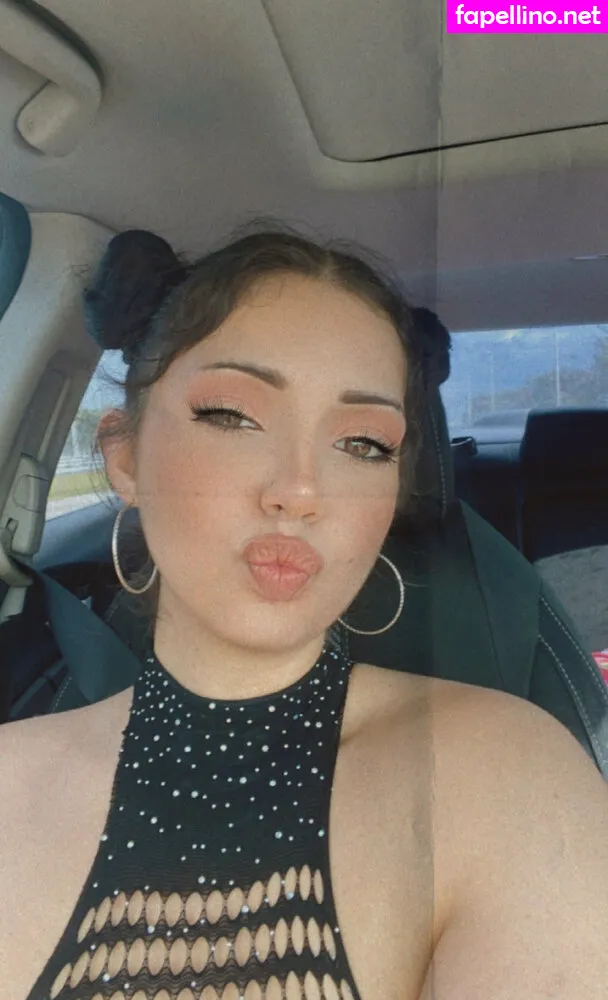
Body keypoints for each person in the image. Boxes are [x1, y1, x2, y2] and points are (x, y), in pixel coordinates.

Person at [0, 226, 607, 1000]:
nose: (300, 491)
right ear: (124, 457)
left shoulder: (507, 774)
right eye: (232, 415)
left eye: (363, 444)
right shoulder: (10, 781)